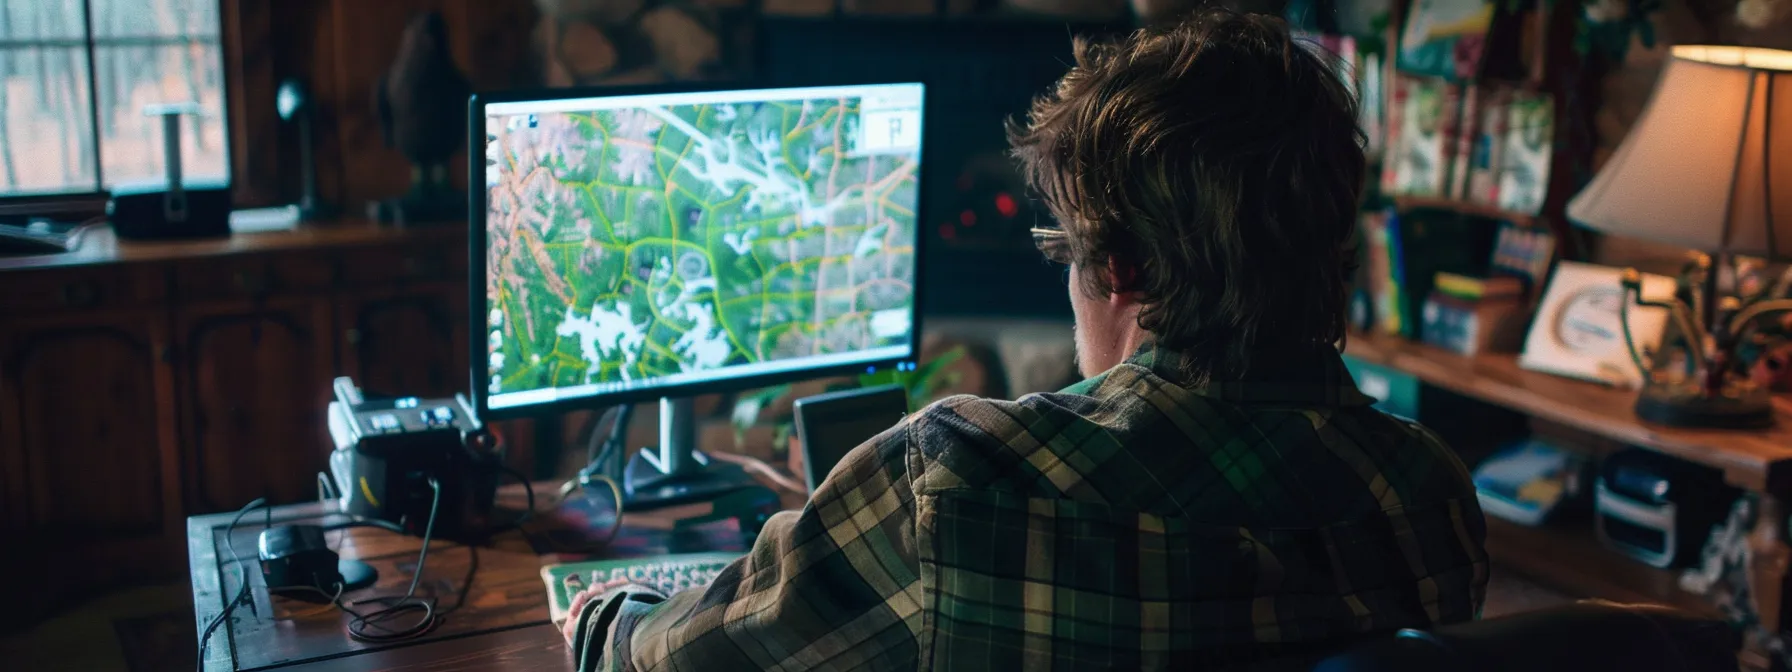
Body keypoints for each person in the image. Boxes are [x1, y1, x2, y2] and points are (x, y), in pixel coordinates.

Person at [563, 10, 1488, 670]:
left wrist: (608, 617)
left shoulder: (957, 482)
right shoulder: (1430, 497)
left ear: (1118, 269)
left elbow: (677, 663)